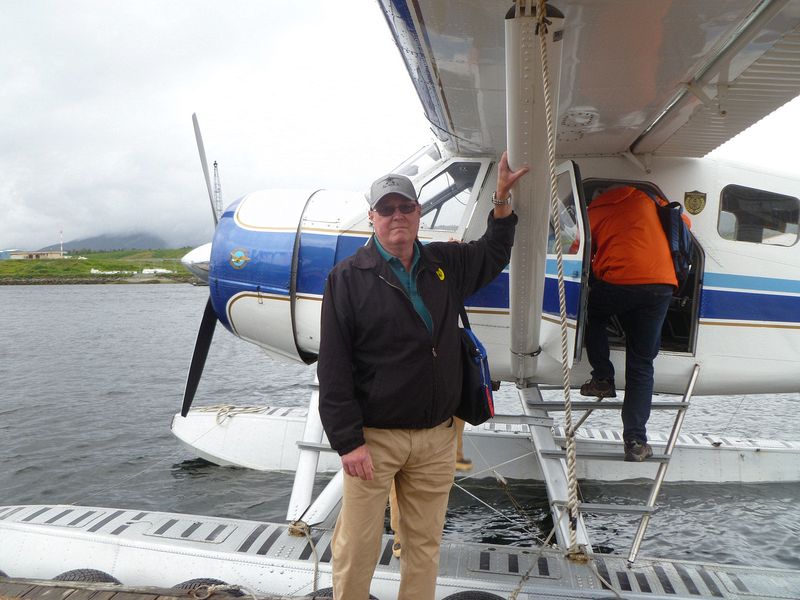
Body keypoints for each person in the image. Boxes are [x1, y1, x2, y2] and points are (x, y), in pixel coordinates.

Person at [317, 151, 528, 600]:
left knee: (423, 546)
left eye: (406, 207)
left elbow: (492, 252)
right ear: (372, 217)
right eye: (387, 209)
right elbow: (333, 367)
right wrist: (347, 441)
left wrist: (502, 200)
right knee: (358, 545)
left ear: (418, 213)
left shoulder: (443, 264)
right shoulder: (347, 278)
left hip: (437, 437)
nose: (397, 216)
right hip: (373, 440)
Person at [579, 184, 688, 462]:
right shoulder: (653, 200)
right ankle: (636, 442)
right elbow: (684, 224)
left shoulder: (595, 209)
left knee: (592, 315)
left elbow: (576, 246)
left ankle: (602, 376)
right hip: (661, 286)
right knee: (641, 364)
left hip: (619, 282)